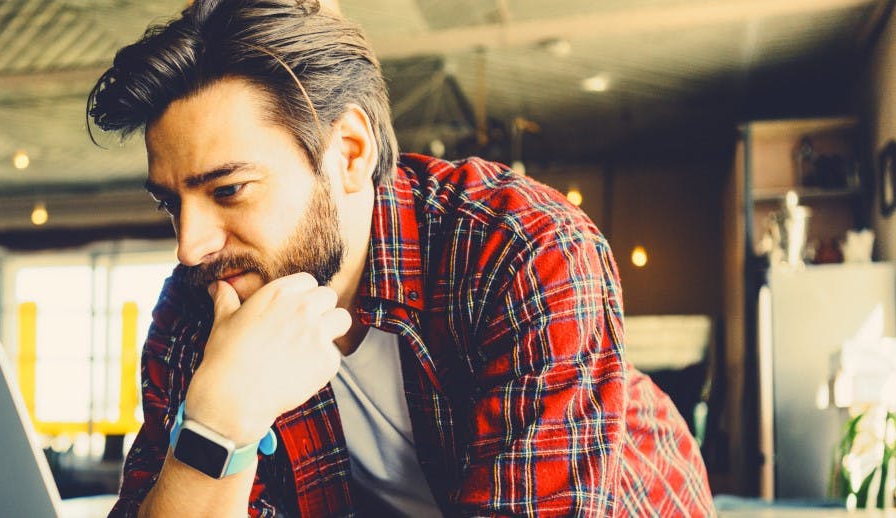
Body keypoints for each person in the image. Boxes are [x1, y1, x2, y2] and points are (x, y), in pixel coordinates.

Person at [87, 0, 714, 515]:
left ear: (351, 154)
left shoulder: (521, 248)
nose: (190, 244)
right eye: (172, 202)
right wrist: (220, 419)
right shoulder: (200, 298)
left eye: (228, 190)